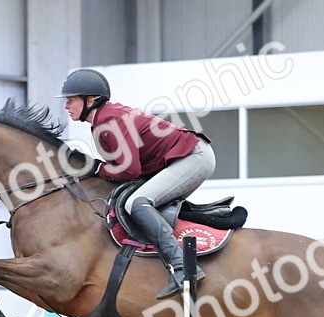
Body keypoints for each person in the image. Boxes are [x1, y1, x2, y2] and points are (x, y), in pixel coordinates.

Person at [58, 68, 213, 298]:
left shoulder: (109, 120)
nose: (66, 106)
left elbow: (130, 170)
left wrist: (98, 168)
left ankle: (182, 268)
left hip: (193, 157)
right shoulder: (103, 119)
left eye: (71, 100)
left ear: (90, 100)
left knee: (138, 202)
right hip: (183, 158)